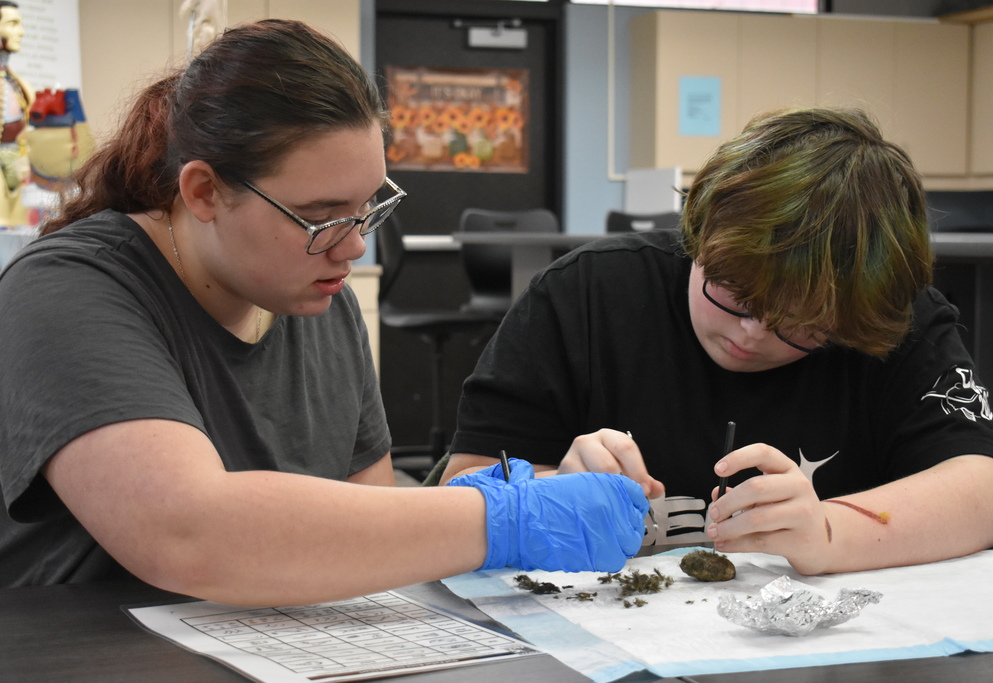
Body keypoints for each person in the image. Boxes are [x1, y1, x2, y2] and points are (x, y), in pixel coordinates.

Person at [0, 19, 649, 604]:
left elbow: (367, 524)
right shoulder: (70, 288)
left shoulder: (313, 291)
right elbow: (189, 530)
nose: (356, 244)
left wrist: (528, 490)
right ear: (203, 191)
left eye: (368, 207)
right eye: (320, 217)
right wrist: (502, 520)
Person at [442, 107, 993, 576]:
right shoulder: (585, 295)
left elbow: (982, 496)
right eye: (735, 292)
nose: (753, 332)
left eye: (803, 321)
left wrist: (831, 530)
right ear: (701, 232)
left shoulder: (885, 317)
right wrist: (547, 496)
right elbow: (457, 487)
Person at [0, 0, 32, 226]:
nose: (20, 32)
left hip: (17, 158)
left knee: (17, 226)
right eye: (12, 24)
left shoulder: (18, 82)